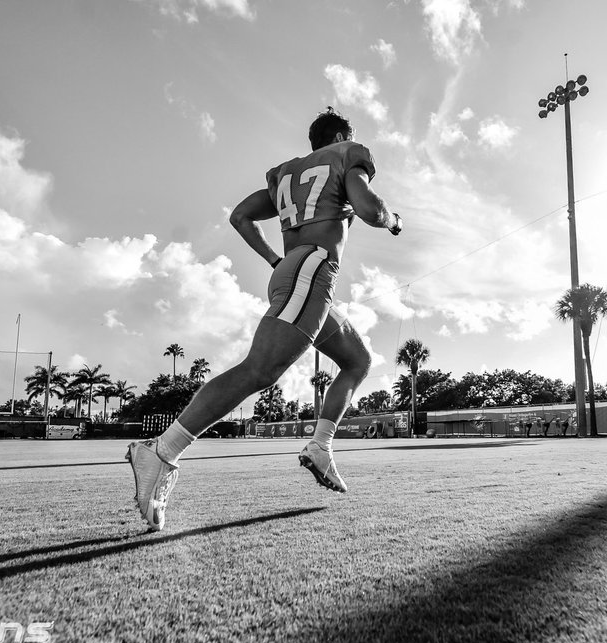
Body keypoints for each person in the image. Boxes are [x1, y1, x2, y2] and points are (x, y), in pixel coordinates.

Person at [126, 108, 403, 531]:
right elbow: (368, 208)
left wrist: (276, 259)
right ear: (343, 136)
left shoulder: (287, 173)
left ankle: (321, 447)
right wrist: (393, 220)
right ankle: (162, 450)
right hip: (313, 269)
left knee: (356, 360)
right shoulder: (349, 153)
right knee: (261, 369)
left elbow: (240, 215)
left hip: (296, 271)